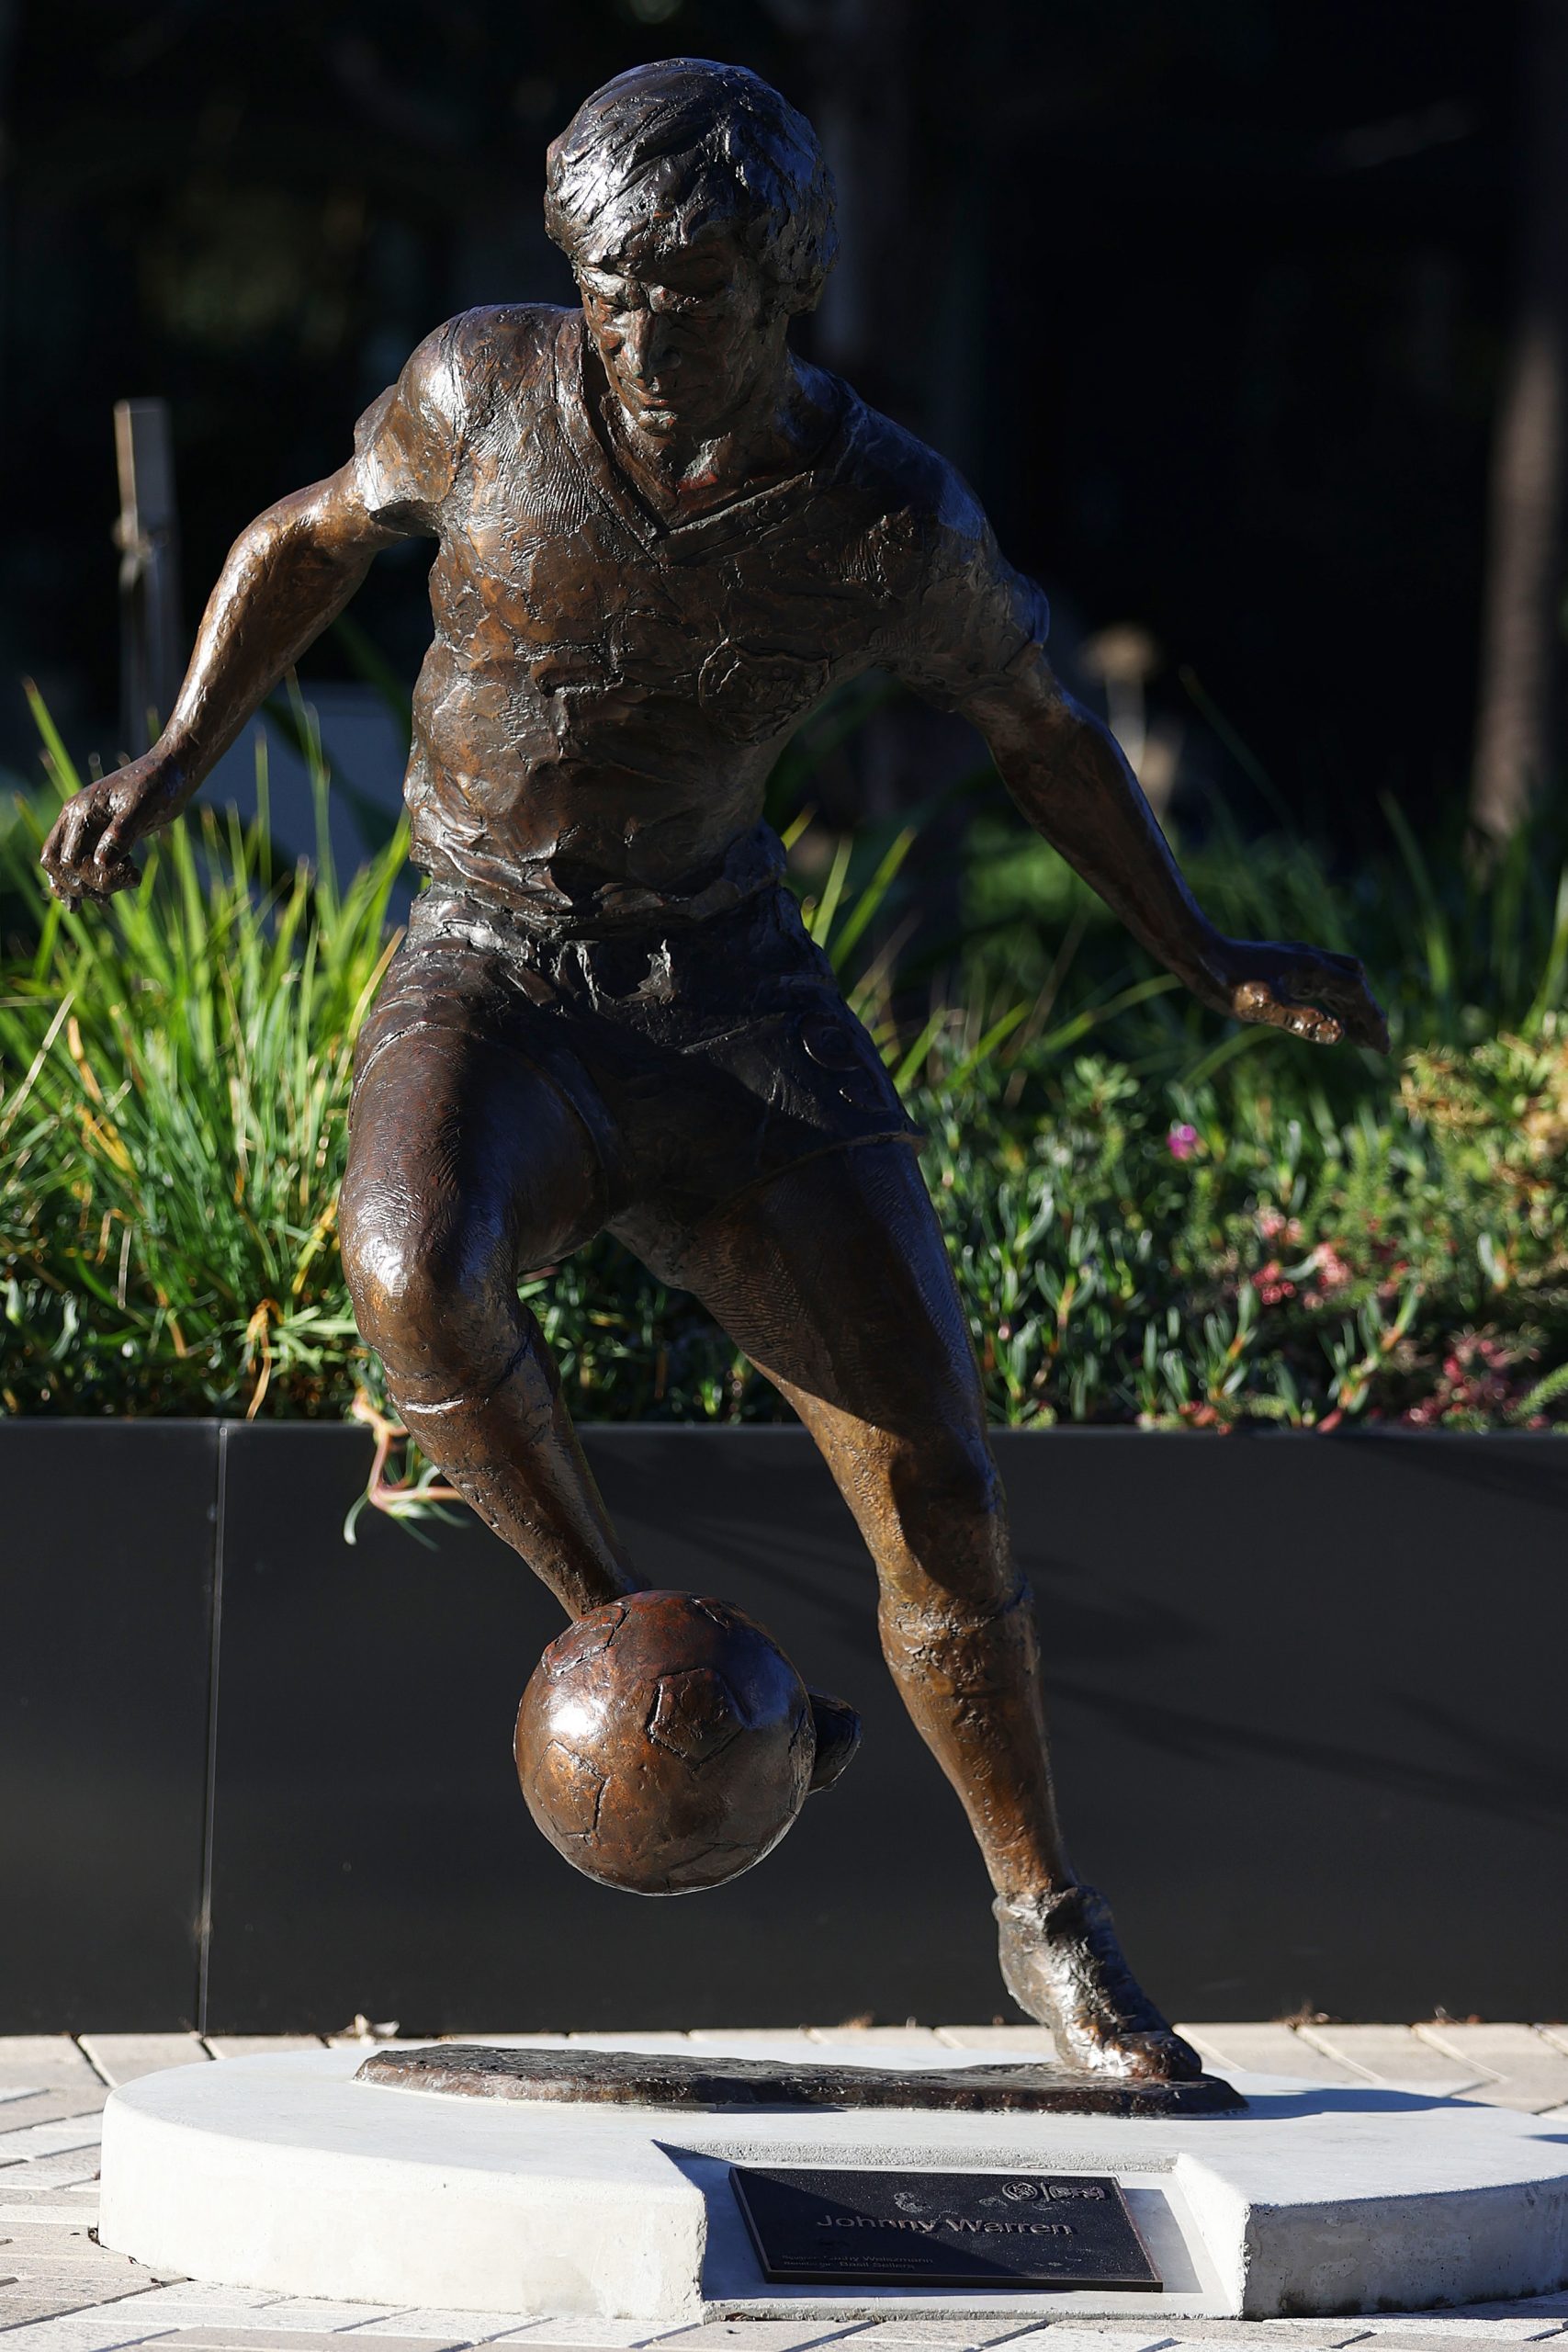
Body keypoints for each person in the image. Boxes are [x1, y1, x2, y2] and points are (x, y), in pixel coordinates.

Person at [42, 59, 1385, 2080]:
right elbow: (308, 535)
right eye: (608, 285)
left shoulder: (879, 517)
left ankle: (1045, 1920)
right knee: (407, 1264)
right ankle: (627, 1631)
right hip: (488, 965)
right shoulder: (482, 390)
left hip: (729, 1003)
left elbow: (1036, 729)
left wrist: (1194, 946)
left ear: (794, 280)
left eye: (690, 288)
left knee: (933, 1469)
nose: (642, 333)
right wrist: (169, 755)